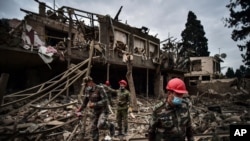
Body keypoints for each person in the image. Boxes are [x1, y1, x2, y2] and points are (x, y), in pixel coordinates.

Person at [76, 76, 115, 141]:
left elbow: (105, 100)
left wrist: (95, 104)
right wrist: (79, 109)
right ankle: (95, 139)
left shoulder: (100, 88)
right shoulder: (87, 90)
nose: (85, 86)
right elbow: (85, 101)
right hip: (95, 111)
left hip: (103, 110)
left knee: (100, 125)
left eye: (86, 84)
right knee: (94, 127)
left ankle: (111, 125)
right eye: (85, 85)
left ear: (91, 82)